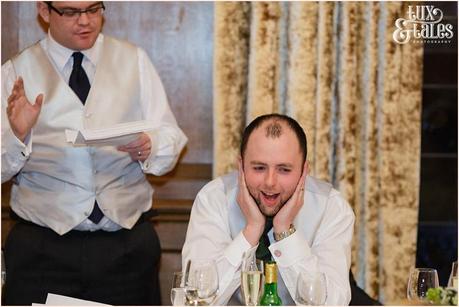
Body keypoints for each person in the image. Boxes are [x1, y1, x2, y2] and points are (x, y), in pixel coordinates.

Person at [1, 1, 187, 305]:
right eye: (70, 12)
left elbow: (171, 135)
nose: (85, 20)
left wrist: (151, 145)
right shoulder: (15, 73)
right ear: (44, 11)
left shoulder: (133, 60)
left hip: (127, 247)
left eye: (94, 8)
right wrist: (18, 136)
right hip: (44, 250)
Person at [182, 113, 355, 305]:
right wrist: (251, 232)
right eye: (259, 168)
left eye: (284, 170)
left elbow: (332, 304)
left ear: (304, 170)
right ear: (241, 166)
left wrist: (284, 232)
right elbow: (192, 301)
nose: (270, 182)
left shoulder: (332, 207)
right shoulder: (213, 199)